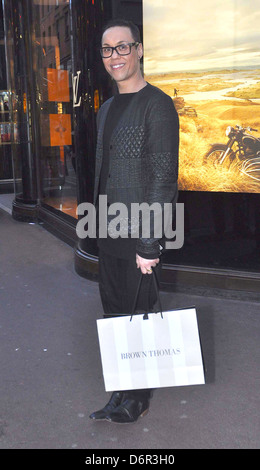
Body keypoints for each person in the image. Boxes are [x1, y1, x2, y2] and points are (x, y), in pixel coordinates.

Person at [89, 19, 179, 423]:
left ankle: (137, 396)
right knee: (113, 315)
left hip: (138, 230)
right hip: (106, 228)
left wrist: (149, 244)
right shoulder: (106, 109)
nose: (115, 57)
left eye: (123, 47)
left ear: (139, 50)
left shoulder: (157, 105)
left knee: (138, 313)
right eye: (108, 50)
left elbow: (162, 177)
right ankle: (119, 389)